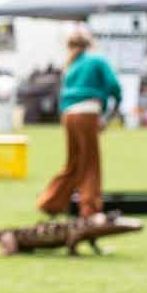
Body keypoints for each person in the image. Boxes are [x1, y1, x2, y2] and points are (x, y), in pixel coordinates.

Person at [36, 27, 123, 219]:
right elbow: (114, 86)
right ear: (90, 43)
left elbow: (64, 95)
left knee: (74, 163)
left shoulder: (71, 66)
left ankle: (50, 202)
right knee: (91, 163)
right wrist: (110, 113)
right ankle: (90, 209)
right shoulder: (97, 60)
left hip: (69, 115)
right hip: (87, 112)